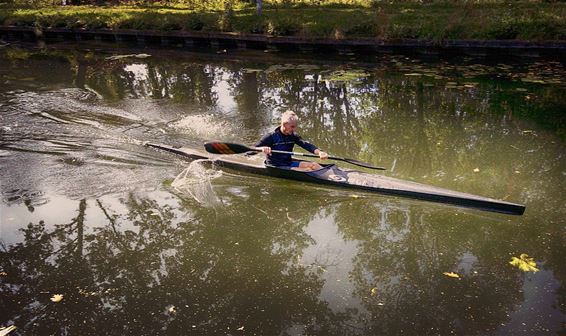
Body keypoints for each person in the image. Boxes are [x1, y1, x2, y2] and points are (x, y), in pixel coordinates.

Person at [255, 110, 328, 171]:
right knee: (307, 170)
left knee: (314, 165)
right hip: (275, 166)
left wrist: (320, 152)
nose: (294, 129)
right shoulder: (270, 136)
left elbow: (306, 145)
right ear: (284, 124)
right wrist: (262, 148)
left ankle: (333, 178)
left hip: (288, 163)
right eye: (292, 126)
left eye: (295, 127)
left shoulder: (293, 136)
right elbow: (251, 150)